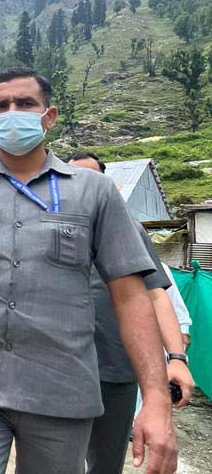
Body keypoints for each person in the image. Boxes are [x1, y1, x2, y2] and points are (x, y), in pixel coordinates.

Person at [0, 68, 178, 474]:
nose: (12, 113)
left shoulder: (94, 193)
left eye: (25, 104)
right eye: (0, 106)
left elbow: (131, 296)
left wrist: (156, 400)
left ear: (49, 115)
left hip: (62, 387)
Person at [67, 152, 194, 474]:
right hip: (60, 367)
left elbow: (156, 296)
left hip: (115, 369)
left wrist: (176, 358)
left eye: (91, 178)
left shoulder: (129, 230)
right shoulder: (48, 229)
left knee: (106, 463)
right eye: (72, 178)